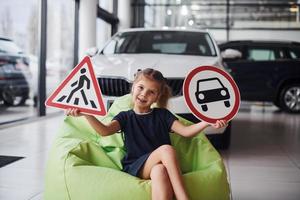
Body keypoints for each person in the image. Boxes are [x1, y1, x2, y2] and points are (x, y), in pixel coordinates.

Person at [66, 68, 227, 200]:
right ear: (133, 88)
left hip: (158, 166)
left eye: (151, 92)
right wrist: (87, 114)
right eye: (141, 88)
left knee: (160, 171)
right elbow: (104, 131)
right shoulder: (125, 116)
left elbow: (186, 132)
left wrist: (208, 121)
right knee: (167, 150)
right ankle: (183, 197)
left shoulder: (162, 115)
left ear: (157, 96)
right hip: (137, 165)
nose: (144, 94)